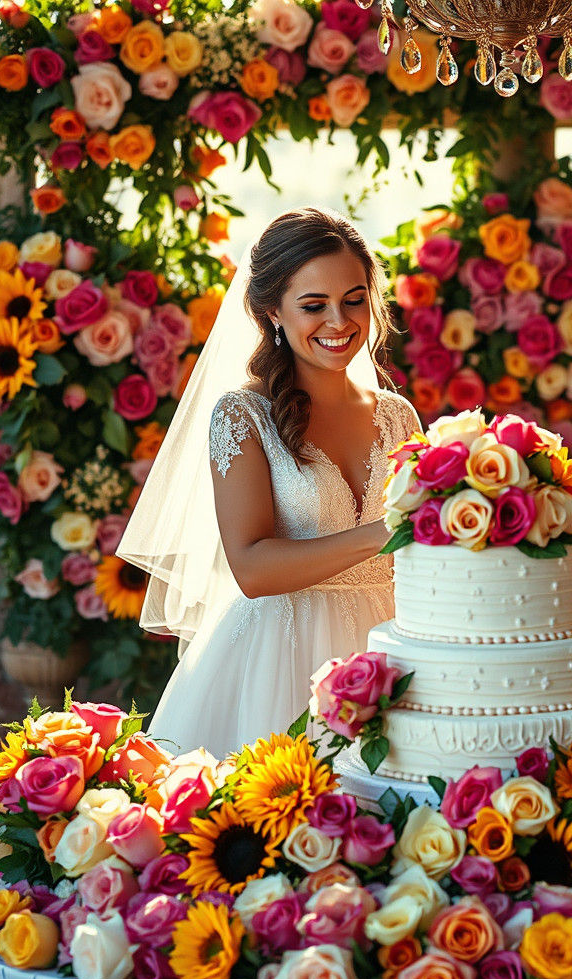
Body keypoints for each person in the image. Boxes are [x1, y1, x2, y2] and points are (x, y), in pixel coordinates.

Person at [118, 208, 420, 757]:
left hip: (389, 651)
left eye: (354, 299)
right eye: (313, 305)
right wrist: (386, 532)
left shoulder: (398, 417)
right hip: (280, 658)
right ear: (271, 311)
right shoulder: (243, 415)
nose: (339, 322)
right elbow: (251, 569)